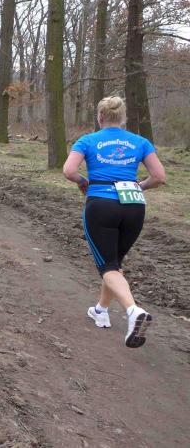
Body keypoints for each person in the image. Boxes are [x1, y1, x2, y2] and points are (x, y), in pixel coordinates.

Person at [62, 96, 166, 348]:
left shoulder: (87, 140)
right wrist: (139, 185)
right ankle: (100, 310)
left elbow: (69, 171)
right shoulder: (140, 142)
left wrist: (83, 182)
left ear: (100, 117)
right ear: (123, 118)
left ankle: (133, 311)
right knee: (115, 262)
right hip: (134, 206)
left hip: (101, 205)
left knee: (108, 266)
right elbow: (159, 177)